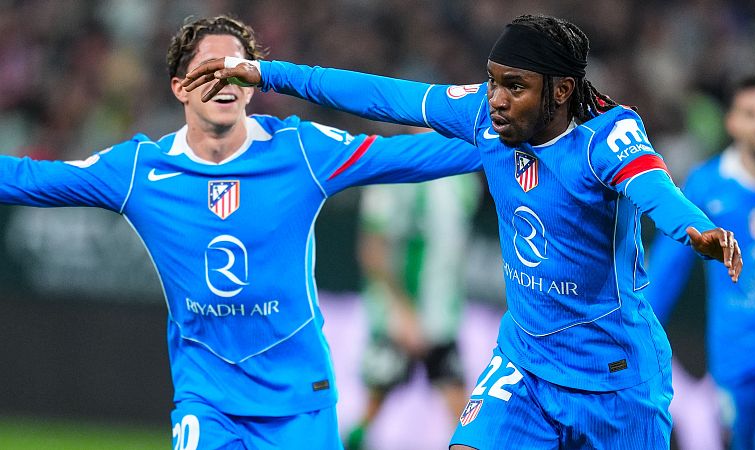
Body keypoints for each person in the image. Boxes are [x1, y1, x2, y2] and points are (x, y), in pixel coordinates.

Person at [184, 13, 743, 449]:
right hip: (526, 363)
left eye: (515, 86)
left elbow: (655, 189)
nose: (496, 98)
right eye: (493, 82)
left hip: (613, 376)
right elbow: (379, 94)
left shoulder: (605, 137)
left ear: (560, 91)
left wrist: (697, 230)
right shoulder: (483, 117)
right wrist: (267, 73)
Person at [0, 15, 483, 450]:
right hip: (207, 402)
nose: (225, 79)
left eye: (237, 68)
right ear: (179, 87)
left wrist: (504, 137)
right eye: (209, 68)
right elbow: (30, 179)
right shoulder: (139, 170)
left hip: (299, 403)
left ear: (252, 86)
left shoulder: (301, 151)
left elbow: (412, 157)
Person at [647, 74, 755, 450]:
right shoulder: (706, 184)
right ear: (731, 121)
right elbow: (666, 270)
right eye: (750, 114)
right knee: (744, 439)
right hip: (732, 355)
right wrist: (636, 332)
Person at [346, 158, 480, 450]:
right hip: (397, 321)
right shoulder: (394, 176)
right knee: (372, 407)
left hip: (441, 319)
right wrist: (402, 312)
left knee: (466, 419)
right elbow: (372, 249)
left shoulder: (464, 177)